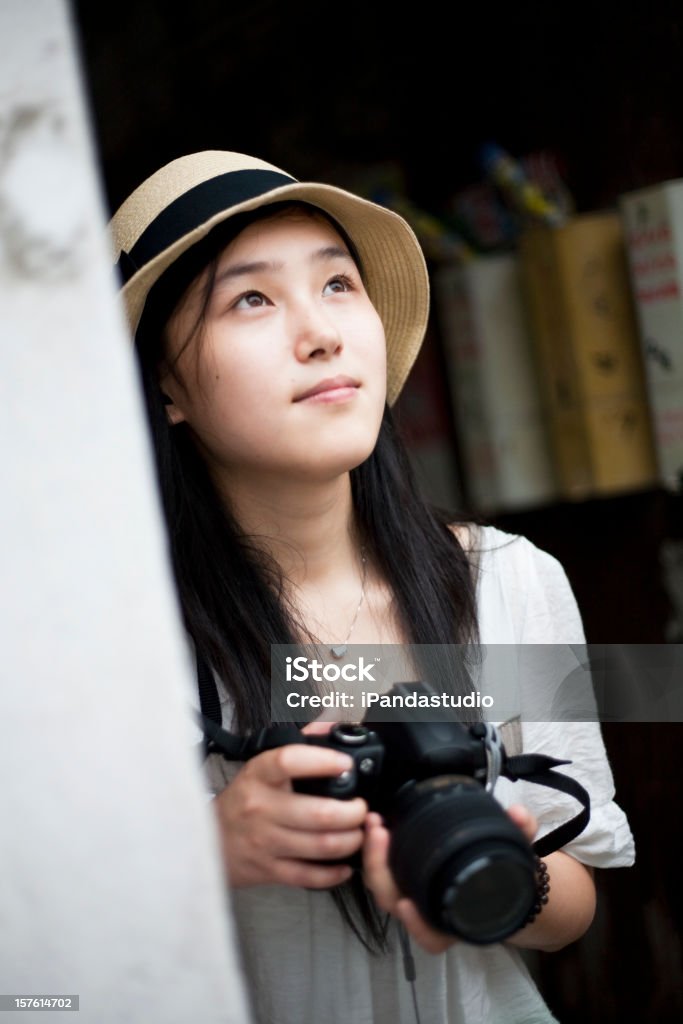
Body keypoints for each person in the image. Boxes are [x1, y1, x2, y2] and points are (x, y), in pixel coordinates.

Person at [110, 150, 635, 1024]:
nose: (319, 332)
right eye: (251, 298)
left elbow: (576, 900)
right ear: (166, 385)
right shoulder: (123, 642)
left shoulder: (508, 583)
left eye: (338, 284)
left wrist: (487, 869)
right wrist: (204, 848)